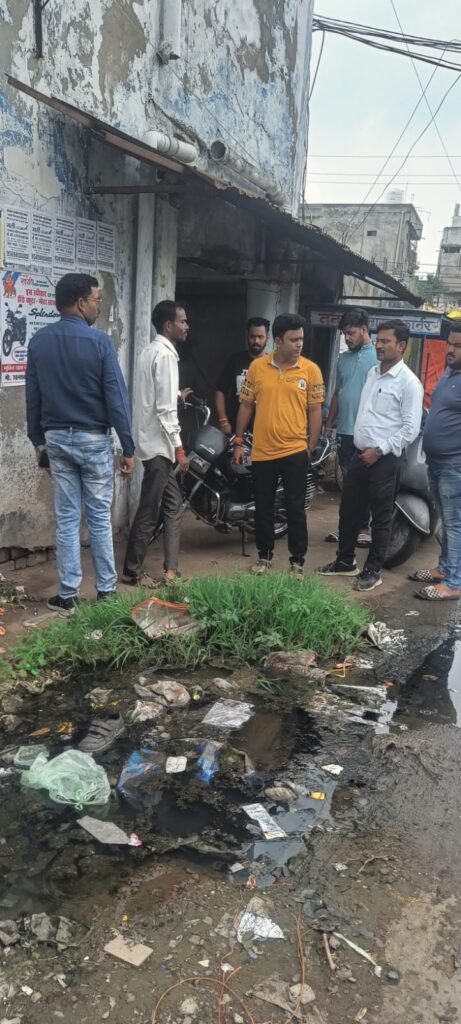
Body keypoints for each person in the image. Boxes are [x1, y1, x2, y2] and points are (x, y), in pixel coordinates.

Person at [25, 273, 135, 614]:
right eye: (96, 300)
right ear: (80, 303)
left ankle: (68, 594)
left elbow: (34, 397)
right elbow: (116, 398)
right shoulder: (100, 344)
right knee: (99, 517)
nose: (98, 306)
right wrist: (127, 447)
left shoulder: (40, 342)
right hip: (93, 440)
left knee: (68, 518)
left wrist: (39, 444)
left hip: (57, 439)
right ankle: (105, 592)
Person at [318, 319, 423, 591]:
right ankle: (344, 561)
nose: (379, 345)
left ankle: (373, 570)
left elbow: (410, 429)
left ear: (401, 345)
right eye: (378, 340)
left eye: (386, 341)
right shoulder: (373, 373)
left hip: (384, 460)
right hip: (359, 454)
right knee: (349, 511)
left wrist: (380, 450)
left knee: (381, 518)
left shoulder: (409, 383)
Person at [233, 313, 324, 577]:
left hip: (295, 451)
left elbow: (315, 410)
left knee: (295, 508)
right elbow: (246, 405)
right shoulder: (257, 368)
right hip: (262, 451)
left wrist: (311, 446)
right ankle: (265, 557)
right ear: (278, 341)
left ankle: (297, 562)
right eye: (293, 339)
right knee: (264, 506)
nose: (299, 345)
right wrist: (239, 440)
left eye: (301, 339)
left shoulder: (310, 370)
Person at [122, 300, 190, 587]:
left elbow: (154, 394)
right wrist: (179, 448)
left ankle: (171, 571)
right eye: (182, 321)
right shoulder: (164, 355)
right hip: (160, 446)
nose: (186, 326)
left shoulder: (150, 351)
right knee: (150, 509)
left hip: (151, 442)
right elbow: (163, 410)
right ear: (168, 325)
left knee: (173, 506)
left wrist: (176, 394)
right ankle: (131, 570)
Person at [409, 320, 461, 601]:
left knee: (455, 524)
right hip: (437, 462)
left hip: (455, 466)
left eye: (458, 345)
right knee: (445, 521)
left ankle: (454, 583)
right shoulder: (448, 373)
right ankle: (445, 568)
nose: (450, 350)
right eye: (449, 344)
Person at [324, 308, 377, 546]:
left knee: (365, 482)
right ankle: (345, 527)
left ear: (364, 330)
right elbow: (338, 393)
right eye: (345, 334)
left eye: (351, 333)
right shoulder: (343, 359)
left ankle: (363, 528)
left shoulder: (378, 357)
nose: (347, 338)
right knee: (347, 483)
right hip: (345, 431)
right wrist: (328, 424)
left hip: (368, 433)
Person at [214, 317, 270, 433]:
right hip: (235, 430)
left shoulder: (273, 364)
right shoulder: (235, 361)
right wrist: (223, 421)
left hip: (264, 432)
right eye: (252, 336)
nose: (256, 341)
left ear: (267, 338)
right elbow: (220, 391)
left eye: (260, 337)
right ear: (247, 337)